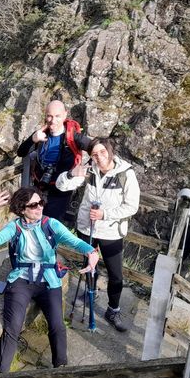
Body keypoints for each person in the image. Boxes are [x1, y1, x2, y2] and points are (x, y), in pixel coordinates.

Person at [0, 186, 99, 378]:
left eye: (40, 203)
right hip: (21, 278)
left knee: (57, 323)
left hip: (48, 278)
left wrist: (91, 252)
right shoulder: (15, 227)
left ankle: (61, 368)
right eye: (33, 205)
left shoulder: (50, 224)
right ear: (22, 209)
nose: (39, 208)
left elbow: (72, 240)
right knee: (13, 327)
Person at [56, 138, 140, 332]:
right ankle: (91, 292)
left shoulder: (125, 174)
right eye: (95, 154)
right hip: (87, 229)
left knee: (115, 274)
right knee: (88, 267)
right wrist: (71, 173)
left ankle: (113, 310)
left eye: (103, 152)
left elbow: (132, 206)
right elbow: (62, 186)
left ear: (111, 152)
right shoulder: (89, 169)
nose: (99, 157)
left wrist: (105, 214)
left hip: (111, 232)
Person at [16, 100, 92, 222]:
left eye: (57, 116)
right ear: (45, 115)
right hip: (39, 187)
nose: (53, 120)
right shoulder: (42, 134)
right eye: (49, 116)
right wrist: (33, 139)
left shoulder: (73, 137)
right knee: (34, 223)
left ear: (65, 115)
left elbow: (97, 148)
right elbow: (21, 152)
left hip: (60, 191)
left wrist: (84, 168)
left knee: (51, 226)